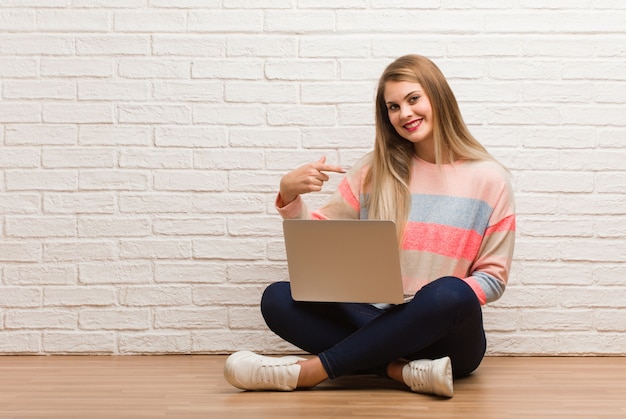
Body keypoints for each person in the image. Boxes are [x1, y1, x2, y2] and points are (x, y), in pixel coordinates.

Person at [223, 54, 516, 397]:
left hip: (447, 337)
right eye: (393, 107)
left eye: (413, 99)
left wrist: (427, 307)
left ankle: (310, 372)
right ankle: (399, 371)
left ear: (438, 97)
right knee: (277, 298)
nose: (404, 113)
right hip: (374, 319)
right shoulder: (372, 172)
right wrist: (290, 198)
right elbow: (319, 245)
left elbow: (492, 279)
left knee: (450, 292)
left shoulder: (490, 179)